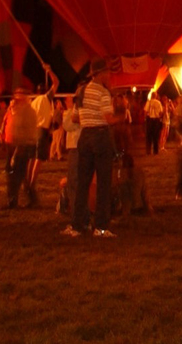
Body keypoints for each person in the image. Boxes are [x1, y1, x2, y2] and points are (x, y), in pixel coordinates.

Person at [65, 61, 116, 237]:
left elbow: (74, 118)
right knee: (103, 183)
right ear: (101, 74)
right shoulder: (103, 92)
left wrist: (89, 118)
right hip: (100, 136)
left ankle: (77, 225)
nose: (109, 76)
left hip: (85, 137)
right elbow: (108, 118)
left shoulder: (81, 91)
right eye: (108, 73)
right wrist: (122, 118)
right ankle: (100, 227)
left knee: (82, 182)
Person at [4, 89, 39, 208]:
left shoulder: (28, 112)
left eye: (20, 97)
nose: (17, 99)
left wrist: (21, 144)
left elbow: (27, 131)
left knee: (16, 174)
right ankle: (29, 198)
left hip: (22, 145)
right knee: (18, 173)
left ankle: (14, 200)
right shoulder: (15, 110)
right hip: (13, 144)